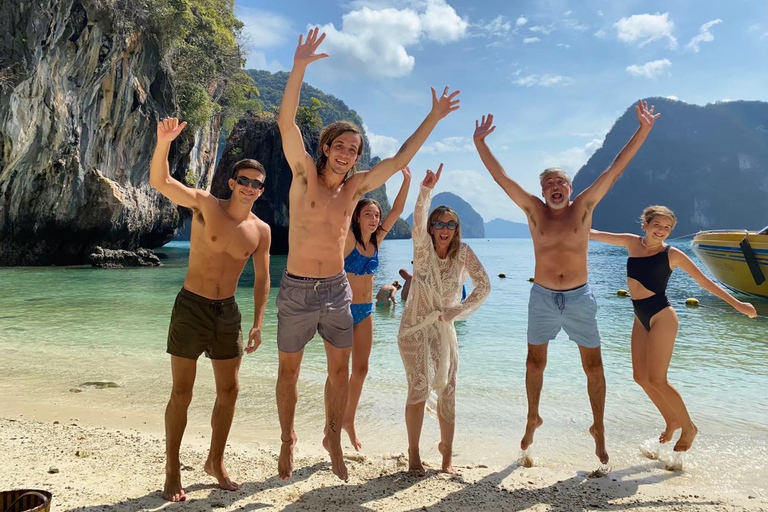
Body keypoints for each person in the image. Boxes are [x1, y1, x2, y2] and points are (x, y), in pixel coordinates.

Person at [276, 27, 460, 481]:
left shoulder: (356, 189)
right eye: (340, 145)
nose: (346, 154)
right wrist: (299, 68)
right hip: (298, 286)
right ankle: (286, 441)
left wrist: (433, 117)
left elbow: (398, 161)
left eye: (354, 150)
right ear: (325, 148)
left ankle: (332, 438)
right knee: (290, 373)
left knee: (340, 374)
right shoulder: (304, 178)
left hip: (338, 291)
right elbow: (286, 124)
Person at [473, 100, 661, 465]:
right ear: (542, 191)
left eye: (560, 181)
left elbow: (616, 169)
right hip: (542, 297)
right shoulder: (533, 210)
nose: (554, 186)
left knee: (594, 366)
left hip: (579, 298)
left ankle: (599, 426)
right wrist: (481, 143)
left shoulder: (584, 207)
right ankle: (533, 415)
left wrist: (644, 129)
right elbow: (501, 178)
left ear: (570, 187)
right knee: (534, 363)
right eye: (548, 183)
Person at [150, 118, 271, 502]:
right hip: (191, 307)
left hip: (228, 313)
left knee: (230, 390)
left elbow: (265, 277)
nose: (251, 187)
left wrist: (257, 322)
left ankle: (214, 462)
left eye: (257, 184)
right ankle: (172, 467)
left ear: (261, 190)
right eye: (245, 181)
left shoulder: (261, 230)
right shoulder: (205, 204)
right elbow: (161, 183)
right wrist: (164, 142)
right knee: (182, 392)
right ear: (233, 183)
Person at [590, 206, 757, 451]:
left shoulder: (673, 254)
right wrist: (560, 219)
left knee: (657, 379)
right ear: (645, 225)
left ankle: (689, 427)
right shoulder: (631, 242)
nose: (662, 230)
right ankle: (672, 420)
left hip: (662, 317)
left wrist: (738, 304)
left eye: (667, 227)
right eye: (657, 224)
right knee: (640, 377)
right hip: (639, 316)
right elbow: (590, 233)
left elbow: (704, 281)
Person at [398, 164, 490, 475]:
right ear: (432, 227)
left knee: (448, 389)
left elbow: (484, 285)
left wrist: (458, 310)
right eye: (439, 223)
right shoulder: (421, 248)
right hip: (414, 328)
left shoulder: (464, 253)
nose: (444, 228)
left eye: (450, 223)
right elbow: (419, 218)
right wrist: (425, 190)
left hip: (443, 330)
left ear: (456, 228)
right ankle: (413, 453)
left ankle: (446, 456)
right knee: (420, 387)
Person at [343, 168, 411, 451]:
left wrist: (407, 181)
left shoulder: (376, 241)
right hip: (342, 310)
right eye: (368, 214)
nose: (374, 219)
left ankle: (348, 419)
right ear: (357, 217)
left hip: (366, 310)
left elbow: (396, 211)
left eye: (376, 215)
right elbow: (345, 204)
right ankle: (332, 424)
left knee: (360, 369)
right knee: (337, 372)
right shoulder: (347, 239)